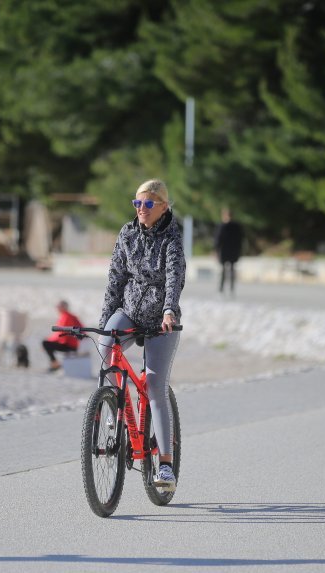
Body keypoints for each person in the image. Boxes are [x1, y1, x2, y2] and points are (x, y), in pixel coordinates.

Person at [98, 178, 185, 491]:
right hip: (130, 311)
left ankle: (164, 465)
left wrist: (169, 311)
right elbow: (115, 280)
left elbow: (175, 278)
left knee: (154, 385)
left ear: (163, 206)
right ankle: (111, 406)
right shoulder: (127, 233)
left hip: (161, 318)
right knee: (105, 342)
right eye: (137, 203)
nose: (142, 209)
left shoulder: (172, 237)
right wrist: (105, 320)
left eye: (148, 204)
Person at [43, 300, 83, 372]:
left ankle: (55, 364)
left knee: (45, 343)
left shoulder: (67, 316)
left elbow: (62, 334)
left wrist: (49, 340)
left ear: (63, 307)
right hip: (71, 343)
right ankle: (55, 364)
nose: (57, 308)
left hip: (70, 345)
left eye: (58, 307)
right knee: (47, 342)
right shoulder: (68, 316)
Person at [214, 207, 243, 296]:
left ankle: (228, 289)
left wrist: (216, 250)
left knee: (229, 270)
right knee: (226, 270)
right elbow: (218, 240)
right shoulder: (226, 226)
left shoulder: (228, 226)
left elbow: (218, 240)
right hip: (227, 251)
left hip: (228, 250)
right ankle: (224, 289)